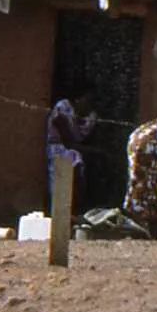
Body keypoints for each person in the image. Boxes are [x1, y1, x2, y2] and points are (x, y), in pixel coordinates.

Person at [46, 81, 98, 213]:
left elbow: (79, 138)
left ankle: (75, 208)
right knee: (71, 165)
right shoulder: (63, 108)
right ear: (78, 99)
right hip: (58, 150)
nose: (90, 104)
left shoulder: (88, 117)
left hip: (71, 150)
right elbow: (67, 141)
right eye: (88, 100)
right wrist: (97, 151)